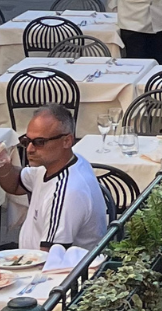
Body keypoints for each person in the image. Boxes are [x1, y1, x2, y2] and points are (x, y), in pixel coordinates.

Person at [0, 107, 108, 252]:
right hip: (31, 258)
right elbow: (16, 185)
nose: (30, 149)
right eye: (27, 141)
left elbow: (50, 258)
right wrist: (4, 167)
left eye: (39, 142)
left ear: (67, 141)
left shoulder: (68, 192)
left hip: (60, 270)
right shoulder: (50, 165)